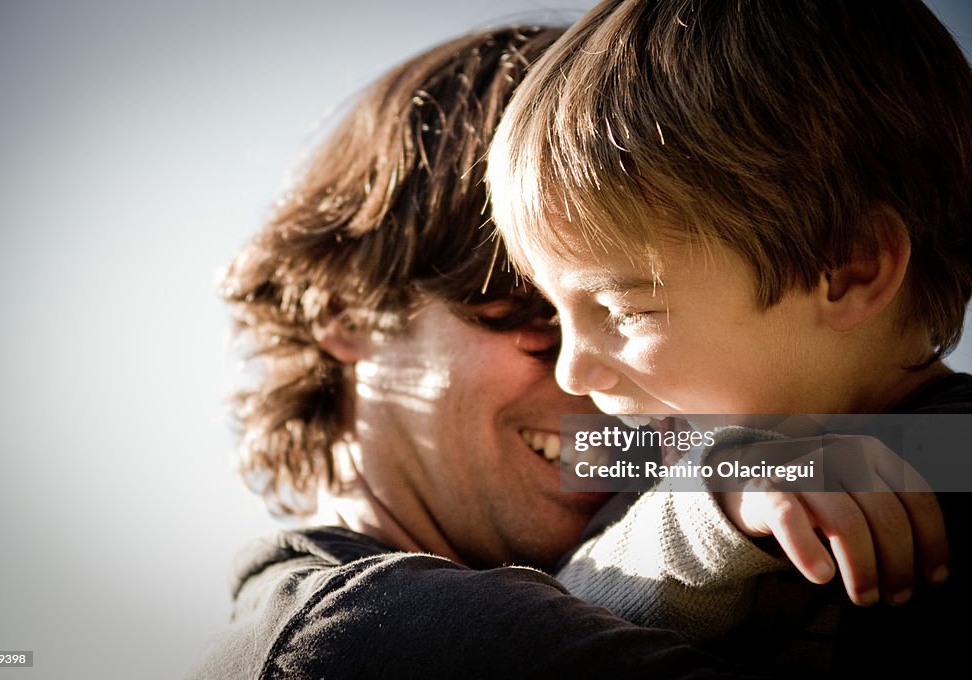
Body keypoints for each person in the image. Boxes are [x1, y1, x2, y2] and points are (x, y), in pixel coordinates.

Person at [185, 26, 755, 679]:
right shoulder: (381, 638)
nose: (599, 375)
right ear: (343, 304)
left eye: (636, 309)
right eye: (531, 306)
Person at [486, 0, 971, 674]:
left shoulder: (952, 462)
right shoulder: (669, 474)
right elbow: (553, 629)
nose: (573, 372)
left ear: (849, 269)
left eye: (625, 310)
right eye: (555, 312)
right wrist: (709, 510)